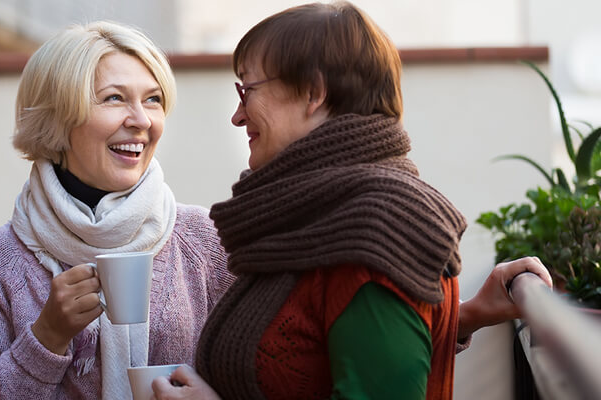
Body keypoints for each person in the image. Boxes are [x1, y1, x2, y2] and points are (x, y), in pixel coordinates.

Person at [148, 2, 555, 399]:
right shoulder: (322, 218)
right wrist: (463, 317)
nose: (237, 116)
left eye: (247, 89)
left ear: (313, 92)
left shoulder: (376, 230)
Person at [0, 21, 233, 399]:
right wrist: (46, 337)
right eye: (115, 98)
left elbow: (264, 377)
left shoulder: (203, 239)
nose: (141, 121)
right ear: (59, 117)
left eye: (153, 99)